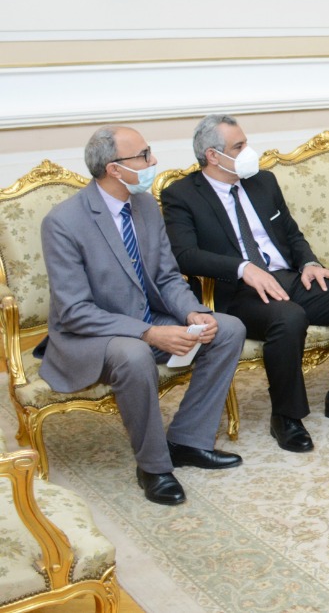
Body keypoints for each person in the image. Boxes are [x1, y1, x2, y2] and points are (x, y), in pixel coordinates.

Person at [41, 126, 245, 506]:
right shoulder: (63, 222)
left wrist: (192, 312)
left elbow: (166, 276)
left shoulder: (146, 205)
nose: (154, 161)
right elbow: (75, 311)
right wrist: (148, 333)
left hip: (148, 319)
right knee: (134, 354)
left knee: (227, 329)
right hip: (92, 335)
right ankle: (153, 467)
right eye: (144, 155)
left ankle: (187, 441)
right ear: (114, 169)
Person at [162, 115, 329, 454]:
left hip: (287, 278)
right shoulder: (182, 194)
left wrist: (309, 263)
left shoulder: (262, 181)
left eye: (245, 143)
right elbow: (184, 255)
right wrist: (242, 268)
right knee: (288, 317)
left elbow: (291, 233)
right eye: (239, 146)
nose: (248, 152)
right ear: (213, 156)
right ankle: (286, 416)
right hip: (236, 293)